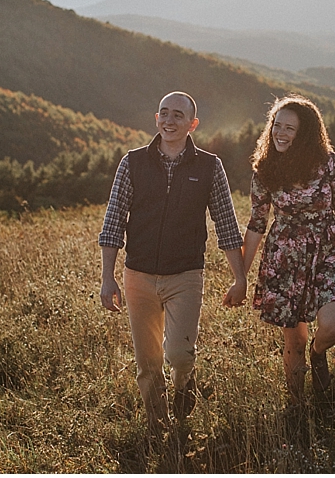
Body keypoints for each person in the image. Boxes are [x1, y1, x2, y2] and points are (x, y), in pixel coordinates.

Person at [99, 91, 247, 438]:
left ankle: (185, 385)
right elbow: (113, 222)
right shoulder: (132, 162)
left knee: (180, 355)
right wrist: (108, 278)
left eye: (178, 115)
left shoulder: (210, 166)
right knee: (148, 363)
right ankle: (158, 425)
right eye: (164, 113)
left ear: (192, 124)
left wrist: (239, 278)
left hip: (186, 275)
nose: (170, 120)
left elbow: (226, 223)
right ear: (156, 119)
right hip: (138, 276)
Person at [240, 94, 335, 408]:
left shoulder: (327, 162)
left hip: (328, 252)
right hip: (285, 257)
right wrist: (240, 275)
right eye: (276, 126)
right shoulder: (265, 167)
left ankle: (319, 355)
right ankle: (296, 405)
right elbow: (256, 224)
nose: (280, 133)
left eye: (289, 129)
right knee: (294, 338)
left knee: (331, 327)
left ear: (304, 133)